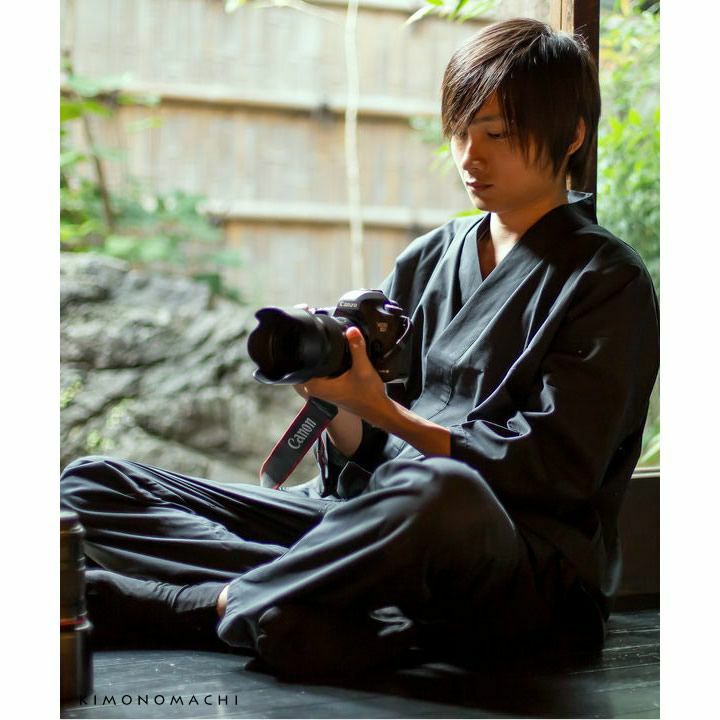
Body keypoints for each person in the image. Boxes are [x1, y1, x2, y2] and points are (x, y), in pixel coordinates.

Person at [60, 17, 660, 679]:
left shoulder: (607, 280)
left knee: (442, 492)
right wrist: (342, 403)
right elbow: (366, 462)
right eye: (460, 131)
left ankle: (203, 605)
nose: (470, 156)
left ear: (571, 134)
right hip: (372, 530)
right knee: (92, 485)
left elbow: (553, 474)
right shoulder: (430, 258)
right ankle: (329, 606)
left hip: (511, 561)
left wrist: (387, 414)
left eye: (497, 134)